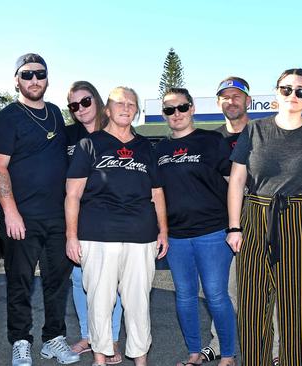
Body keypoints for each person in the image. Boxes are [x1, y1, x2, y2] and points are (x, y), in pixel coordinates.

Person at [227, 69, 302, 365]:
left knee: (300, 306)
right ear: (276, 92)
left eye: (300, 91)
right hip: (256, 216)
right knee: (252, 307)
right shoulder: (254, 130)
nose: (292, 96)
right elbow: (236, 180)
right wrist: (234, 227)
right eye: (286, 89)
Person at [65, 86, 168, 366]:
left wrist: (163, 231)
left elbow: (157, 192)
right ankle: (100, 359)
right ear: (107, 110)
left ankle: (140, 360)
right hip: (98, 236)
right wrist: (71, 237)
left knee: (138, 304)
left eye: (131, 104)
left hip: (141, 236)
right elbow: (73, 194)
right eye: (119, 103)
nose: (125, 107)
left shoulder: (146, 147)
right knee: (100, 302)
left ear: (136, 111)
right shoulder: (90, 144)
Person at [0, 53, 78, 366]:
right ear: (16, 80)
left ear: (47, 78)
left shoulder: (55, 112)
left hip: (57, 215)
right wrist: (10, 212)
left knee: (58, 282)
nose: (34, 80)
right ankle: (21, 341)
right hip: (21, 218)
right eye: (27, 75)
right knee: (20, 283)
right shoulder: (7, 117)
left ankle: (54, 339)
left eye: (40, 74)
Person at [155, 88, 236, 366]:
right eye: (169, 110)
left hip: (213, 233)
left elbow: (233, 184)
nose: (176, 114)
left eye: (181, 107)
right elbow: (158, 195)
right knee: (185, 297)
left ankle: (227, 355)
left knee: (215, 295)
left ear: (192, 109)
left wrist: (236, 226)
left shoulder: (212, 141)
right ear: (164, 114)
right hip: (177, 237)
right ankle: (193, 353)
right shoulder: (160, 150)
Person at [205, 77, 281, 366]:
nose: (231, 101)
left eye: (237, 96)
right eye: (225, 97)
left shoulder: (263, 132)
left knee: (265, 288)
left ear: (248, 101)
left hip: (259, 221)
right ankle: (220, 343)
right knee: (220, 289)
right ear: (218, 102)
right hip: (219, 225)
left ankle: (274, 349)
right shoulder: (212, 139)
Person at [65, 81, 124, 364]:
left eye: (85, 101)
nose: (80, 109)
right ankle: (89, 335)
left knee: (112, 282)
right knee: (80, 280)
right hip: (81, 218)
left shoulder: (117, 132)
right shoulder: (68, 136)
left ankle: (111, 337)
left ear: (97, 101)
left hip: (113, 218)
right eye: (73, 106)